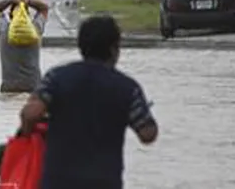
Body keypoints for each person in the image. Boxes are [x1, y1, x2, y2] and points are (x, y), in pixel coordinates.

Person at [17, 14, 158, 189]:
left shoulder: (56, 77)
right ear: (114, 49)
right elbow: (147, 134)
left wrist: (26, 138)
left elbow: (30, 114)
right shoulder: (127, 88)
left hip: (58, 181)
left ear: (81, 46)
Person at [0, 0, 49, 93]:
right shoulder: (36, 29)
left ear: (10, 15)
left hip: (9, 88)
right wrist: (29, 1)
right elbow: (44, 8)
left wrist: (11, 0)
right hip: (33, 88)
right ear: (28, 15)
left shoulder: (3, 30)